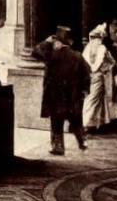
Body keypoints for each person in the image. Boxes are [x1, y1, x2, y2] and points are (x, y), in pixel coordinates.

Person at [37, 26, 91, 155]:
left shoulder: (52, 55)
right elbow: (87, 73)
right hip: (72, 94)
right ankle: (82, 141)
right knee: (76, 120)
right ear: (70, 42)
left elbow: (35, 52)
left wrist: (47, 41)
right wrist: (84, 90)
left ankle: (58, 147)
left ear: (57, 42)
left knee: (56, 121)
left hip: (55, 94)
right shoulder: (77, 56)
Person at [82, 24, 113, 131]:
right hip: (93, 77)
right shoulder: (90, 48)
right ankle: (86, 123)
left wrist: (104, 68)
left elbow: (108, 62)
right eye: (96, 39)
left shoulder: (101, 48)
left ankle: (96, 123)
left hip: (96, 77)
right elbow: (89, 62)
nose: (98, 41)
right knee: (92, 99)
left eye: (100, 39)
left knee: (96, 100)